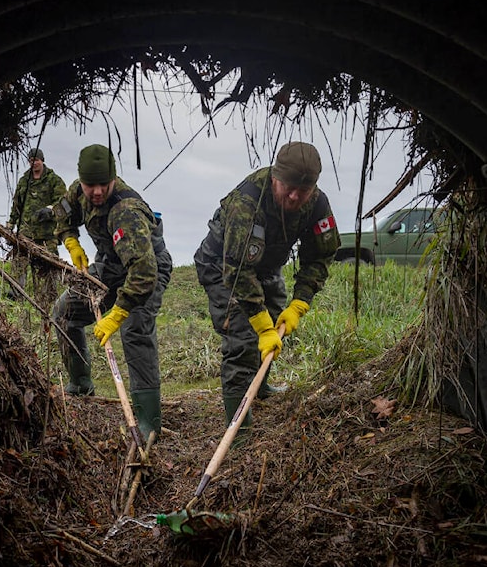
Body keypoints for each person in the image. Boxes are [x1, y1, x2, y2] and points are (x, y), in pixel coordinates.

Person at [193, 141, 339, 442]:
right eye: (288, 187)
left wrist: (300, 302)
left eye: (305, 190)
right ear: (276, 177)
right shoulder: (247, 202)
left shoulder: (317, 204)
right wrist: (259, 324)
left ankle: (259, 387)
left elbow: (321, 254)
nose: (296, 196)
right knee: (242, 341)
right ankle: (239, 431)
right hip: (221, 268)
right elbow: (235, 270)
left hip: (266, 266)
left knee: (275, 318)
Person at [51, 144, 173, 442]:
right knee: (64, 313)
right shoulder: (78, 192)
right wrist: (72, 244)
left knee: (135, 332)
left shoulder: (125, 211)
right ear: (81, 180)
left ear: (113, 179)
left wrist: (117, 313)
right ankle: (81, 383)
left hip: (147, 269)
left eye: (102, 185)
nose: (95, 192)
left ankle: (148, 420)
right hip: (110, 265)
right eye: (90, 185)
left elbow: (144, 275)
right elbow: (62, 215)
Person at [7, 147, 67, 308]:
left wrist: (51, 210)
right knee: (19, 261)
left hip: (47, 234)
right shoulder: (24, 181)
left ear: (42, 160)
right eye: (31, 160)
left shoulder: (54, 180)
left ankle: (50, 299)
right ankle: (16, 293)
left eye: (37, 160)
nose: (34, 163)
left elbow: (66, 205)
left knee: (49, 265)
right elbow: (16, 206)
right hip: (25, 231)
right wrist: (10, 224)